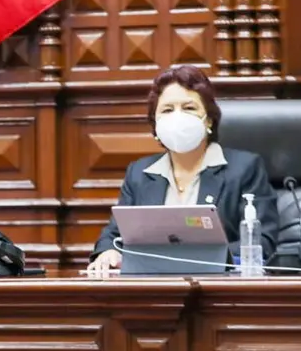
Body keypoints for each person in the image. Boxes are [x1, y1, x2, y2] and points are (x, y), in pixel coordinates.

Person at [87, 65, 278, 277]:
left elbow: (263, 242)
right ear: (156, 125)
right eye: (167, 110)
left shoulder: (244, 168)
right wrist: (108, 252)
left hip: (221, 290)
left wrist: (200, 259)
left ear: (209, 120)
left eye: (189, 108)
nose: (178, 117)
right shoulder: (140, 173)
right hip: (153, 289)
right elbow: (113, 235)